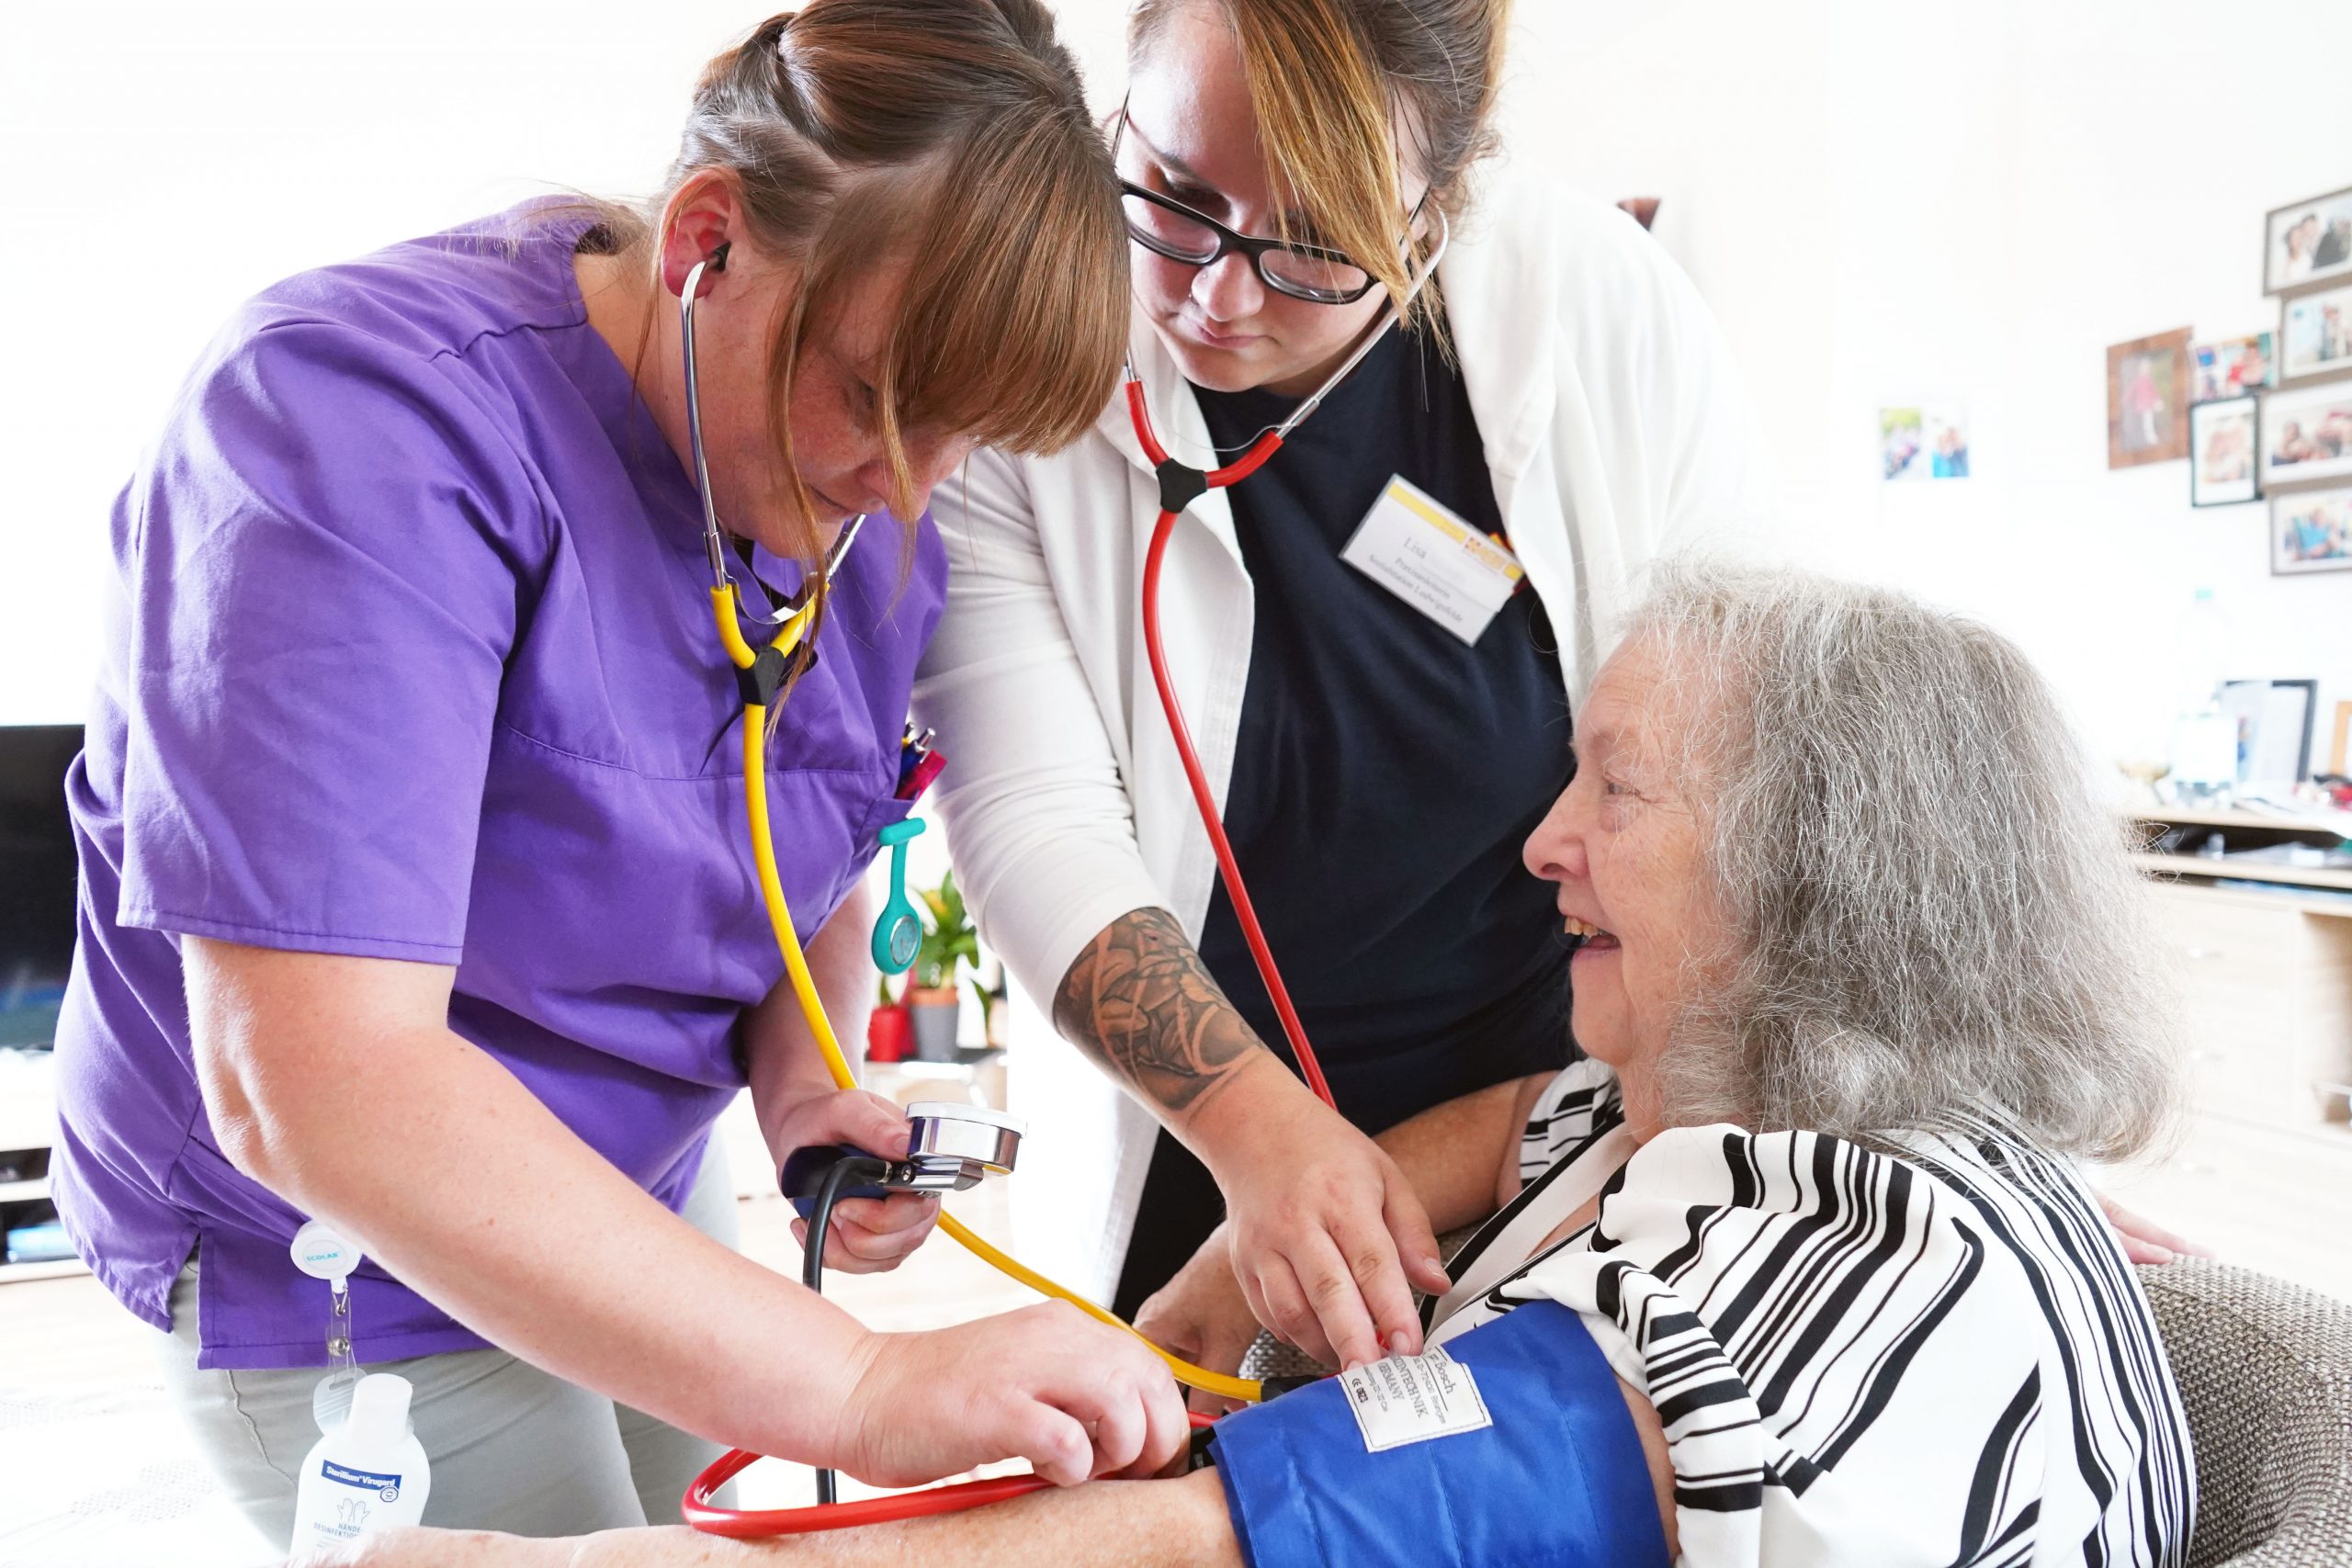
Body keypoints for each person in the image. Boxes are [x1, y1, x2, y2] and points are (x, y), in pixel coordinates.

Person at [320, 565, 2198, 1567]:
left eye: (1611, 790)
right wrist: (1214, 1277)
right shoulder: (1703, 1117)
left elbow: (1354, 1511)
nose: (1541, 844)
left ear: (1819, 873)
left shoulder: (1873, 1248)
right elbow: (1491, 1134)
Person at [51, 0, 1190, 1542]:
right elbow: (315, 1082)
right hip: (349, 1248)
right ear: (707, 243)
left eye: (964, 440)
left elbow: (808, 845)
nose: (907, 489)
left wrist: (803, 1093)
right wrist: (861, 1390)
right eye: (874, 401)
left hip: (640, 1199)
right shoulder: (343, 430)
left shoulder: (849, 491)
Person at [907, 0, 1781, 1380]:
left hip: (1561, 1148)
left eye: (1316, 242)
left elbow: (1760, 768)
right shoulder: (1027, 364)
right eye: (1176, 197)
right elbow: (1029, 817)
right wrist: (1261, 1130)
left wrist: (1902, 1138)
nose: (1214, 295)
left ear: (1439, 208)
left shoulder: (1610, 318)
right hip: (1210, 1168)